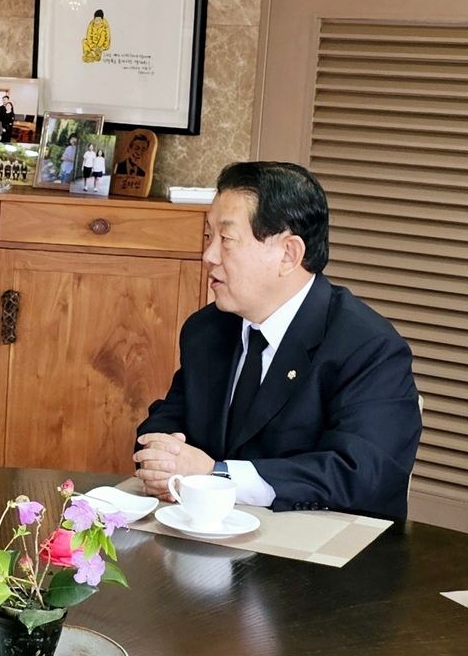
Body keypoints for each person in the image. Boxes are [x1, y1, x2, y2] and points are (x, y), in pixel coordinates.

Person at [134, 161, 420, 521]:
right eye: (209, 237)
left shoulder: (368, 348)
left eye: (227, 239)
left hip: (322, 558)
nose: (208, 256)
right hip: (212, 542)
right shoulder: (206, 330)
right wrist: (162, 458)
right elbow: (167, 420)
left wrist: (216, 475)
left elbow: (362, 474)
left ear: (288, 254)